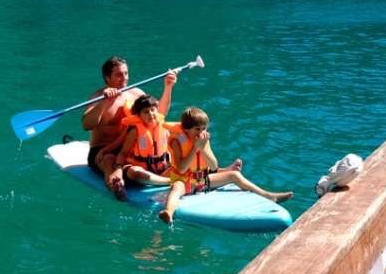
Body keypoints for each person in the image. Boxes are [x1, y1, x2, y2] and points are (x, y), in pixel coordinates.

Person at [158, 107, 292, 224]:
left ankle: (269, 196)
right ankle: (169, 212)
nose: (201, 132)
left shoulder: (203, 140)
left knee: (234, 174)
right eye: (197, 129)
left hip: (203, 181)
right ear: (186, 129)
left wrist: (203, 148)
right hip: (185, 182)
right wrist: (194, 149)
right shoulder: (177, 141)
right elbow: (181, 168)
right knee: (176, 188)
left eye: (204, 128)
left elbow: (214, 166)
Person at [82, 57, 176, 197]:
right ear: (107, 77)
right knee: (110, 160)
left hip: (130, 148)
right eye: (119, 75)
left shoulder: (136, 93)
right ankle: (116, 185)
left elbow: (158, 114)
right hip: (103, 150)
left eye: (126, 73)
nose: (124, 78)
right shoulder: (97, 97)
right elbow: (86, 125)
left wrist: (168, 87)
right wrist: (104, 102)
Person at [113, 95, 174, 188]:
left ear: (157, 110)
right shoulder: (135, 130)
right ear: (139, 115)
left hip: (162, 169)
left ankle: (161, 180)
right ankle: (170, 181)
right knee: (135, 173)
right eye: (146, 112)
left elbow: (174, 145)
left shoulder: (164, 127)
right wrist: (118, 168)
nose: (151, 114)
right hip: (141, 170)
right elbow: (123, 153)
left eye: (153, 110)